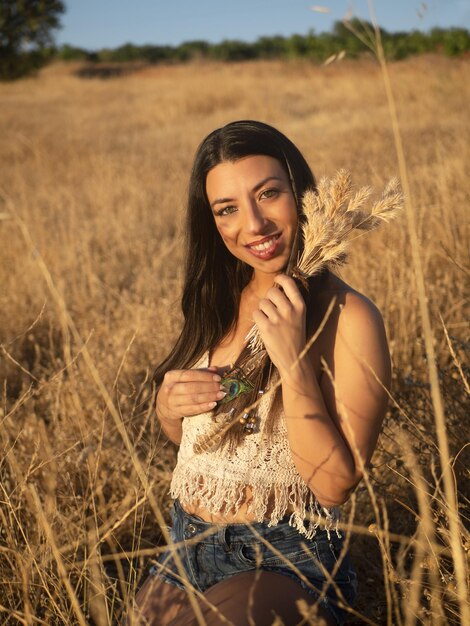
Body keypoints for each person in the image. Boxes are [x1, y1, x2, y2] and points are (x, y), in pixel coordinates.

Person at [128, 120, 391, 625]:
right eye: (227, 209)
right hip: (185, 546)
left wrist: (293, 362)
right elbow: (195, 441)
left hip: (281, 560)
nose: (254, 225)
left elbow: (334, 485)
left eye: (268, 194)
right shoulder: (218, 299)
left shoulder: (350, 318)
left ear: (303, 194)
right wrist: (167, 408)